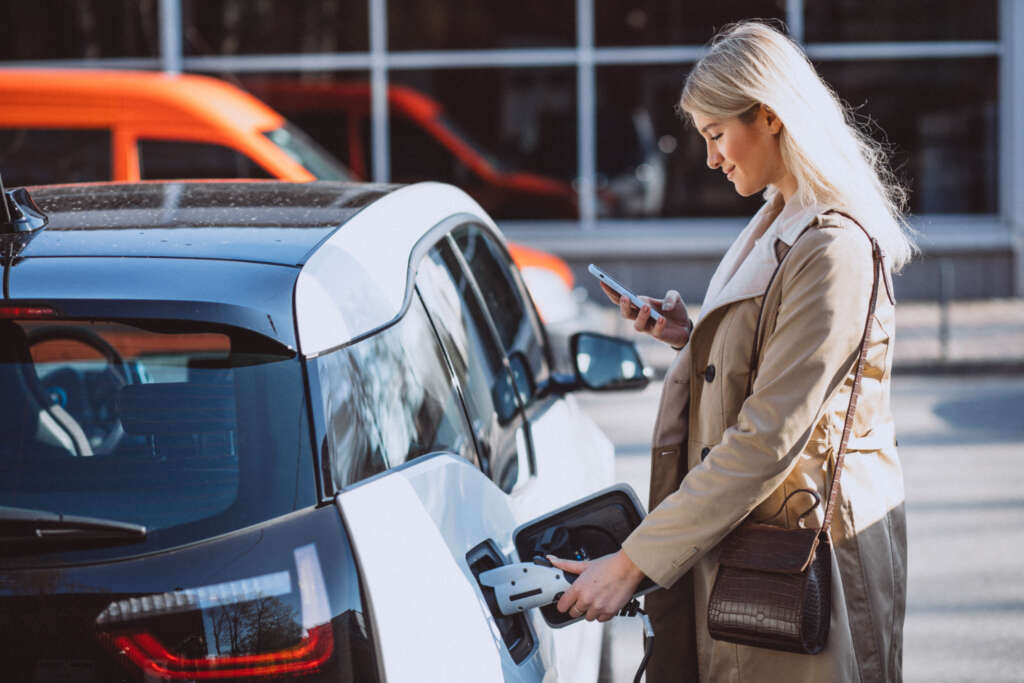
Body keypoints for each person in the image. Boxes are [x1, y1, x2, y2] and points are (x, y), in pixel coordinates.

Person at [549, 20, 912, 683]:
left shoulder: (832, 247)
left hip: (801, 557)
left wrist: (633, 562)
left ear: (770, 117)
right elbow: (778, 364)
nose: (712, 158)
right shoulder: (780, 216)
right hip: (758, 545)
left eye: (717, 135)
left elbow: (768, 436)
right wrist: (694, 336)